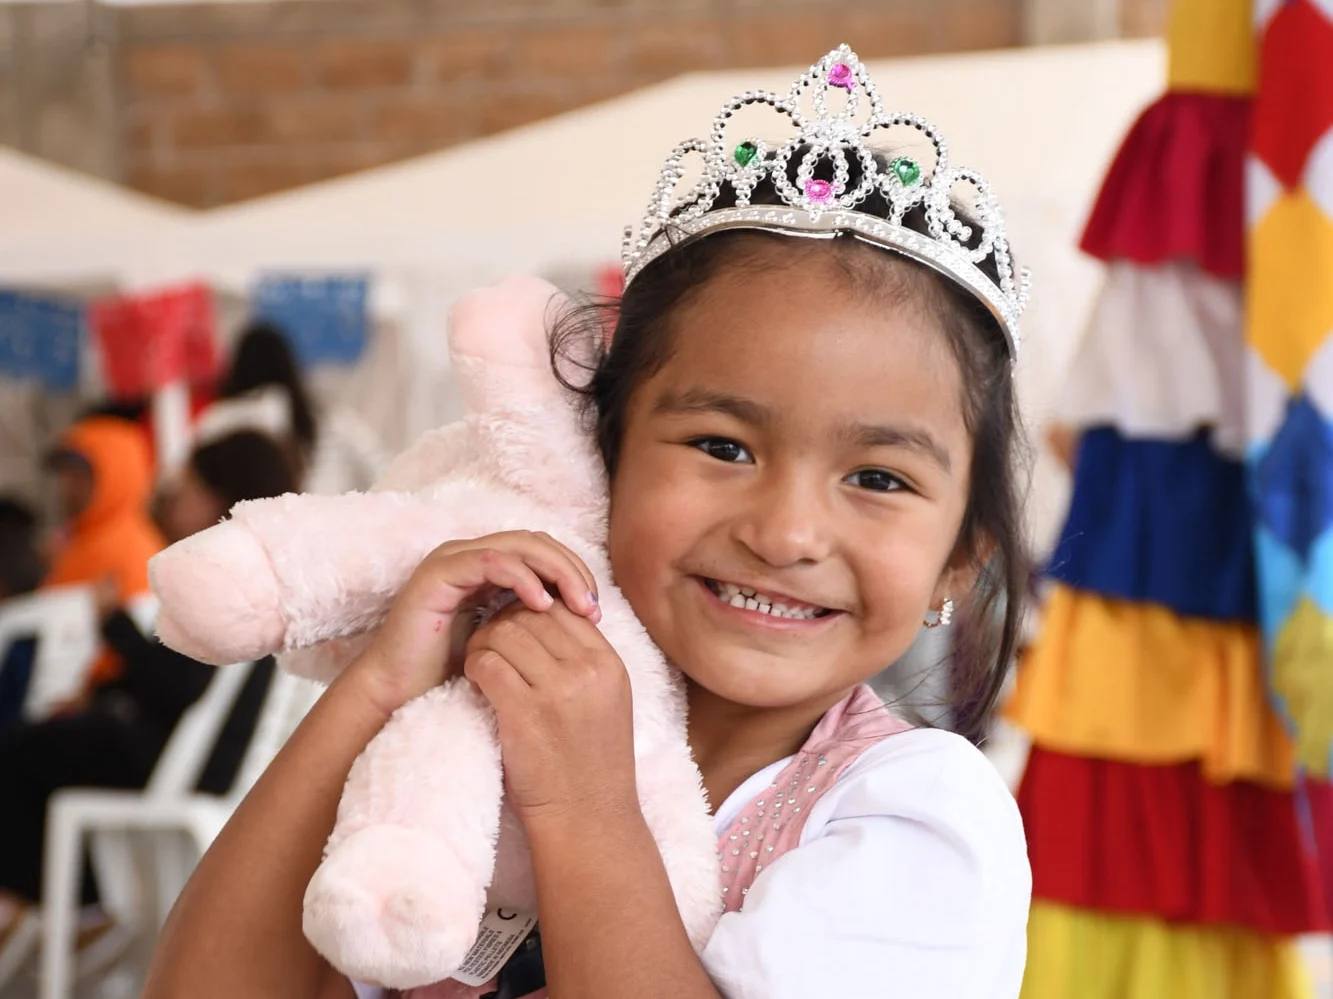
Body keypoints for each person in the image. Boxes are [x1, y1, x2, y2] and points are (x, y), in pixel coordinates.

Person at [142, 48, 1032, 999]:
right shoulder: (464, 732)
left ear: (956, 561)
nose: (785, 532)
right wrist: (375, 689)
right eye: (723, 447)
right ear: (601, 457)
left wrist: (583, 804)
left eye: (876, 477)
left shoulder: (913, 814)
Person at [0, 431, 297, 946]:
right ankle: (66, 903)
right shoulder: (261, 569)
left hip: (177, 761)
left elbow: (177, 682)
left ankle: (54, 903)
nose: (170, 500)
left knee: (24, 748)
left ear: (218, 496)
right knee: (41, 747)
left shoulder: (221, 573)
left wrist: (114, 625)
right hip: (191, 755)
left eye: (185, 490)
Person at [42, 415, 167, 688]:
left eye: (79, 477)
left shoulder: (132, 550)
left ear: (115, 475)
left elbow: (126, 655)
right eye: (64, 476)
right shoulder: (82, 538)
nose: (67, 488)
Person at [197, 321, 386, 495]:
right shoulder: (330, 419)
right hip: (325, 522)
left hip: (249, 525)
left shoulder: (220, 419)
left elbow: (189, 482)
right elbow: (381, 465)